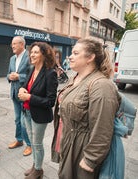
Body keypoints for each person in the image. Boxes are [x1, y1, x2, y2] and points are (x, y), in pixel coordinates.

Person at [51, 38, 120, 179]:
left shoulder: (101, 86)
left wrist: (91, 159)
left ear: (90, 58)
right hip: (68, 142)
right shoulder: (75, 78)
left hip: (82, 149)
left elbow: (103, 128)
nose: (70, 56)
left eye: (76, 53)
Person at [18, 42, 58, 179]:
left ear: (44, 54)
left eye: (35, 52)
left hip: (40, 115)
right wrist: (22, 88)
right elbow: (26, 85)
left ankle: (39, 170)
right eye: (31, 52)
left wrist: (29, 96)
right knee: (32, 140)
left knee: (37, 143)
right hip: (27, 112)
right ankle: (35, 165)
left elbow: (50, 101)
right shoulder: (32, 69)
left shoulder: (50, 73)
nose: (32, 55)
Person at [7, 36, 32, 156]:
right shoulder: (12, 58)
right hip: (14, 93)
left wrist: (19, 77)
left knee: (24, 122)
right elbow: (8, 73)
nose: (12, 46)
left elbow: (32, 75)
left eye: (15, 44)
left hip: (24, 94)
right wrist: (9, 76)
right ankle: (19, 140)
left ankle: (29, 144)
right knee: (17, 119)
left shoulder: (29, 57)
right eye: (12, 44)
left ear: (22, 44)